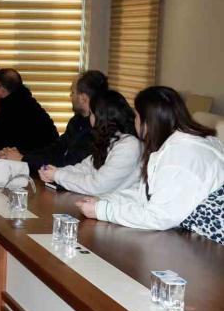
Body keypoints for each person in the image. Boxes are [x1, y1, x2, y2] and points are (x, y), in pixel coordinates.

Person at [76, 87, 224, 243]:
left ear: (148, 122)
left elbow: (159, 217)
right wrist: (105, 201)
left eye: (137, 116)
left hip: (211, 246)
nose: (134, 121)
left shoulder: (180, 156)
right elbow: (146, 195)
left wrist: (102, 210)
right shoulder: (175, 145)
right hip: (194, 237)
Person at [1, 70, 108, 172]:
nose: (70, 95)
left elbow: (67, 164)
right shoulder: (76, 121)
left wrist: (23, 159)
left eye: (73, 92)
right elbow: (55, 149)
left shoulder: (98, 129)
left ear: (83, 98)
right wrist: (21, 154)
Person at [39, 90, 142, 194]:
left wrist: (57, 175)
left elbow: (97, 185)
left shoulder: (129, 146)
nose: (90, 118)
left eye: (92, 113)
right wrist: (55, 172)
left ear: (101, 118)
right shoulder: (111, 141)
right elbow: (85, 168)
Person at [0, 68, 58, 151]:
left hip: (40, 155)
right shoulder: (22, 99)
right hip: (40, 150)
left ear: (2, 88)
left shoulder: (15, 105)